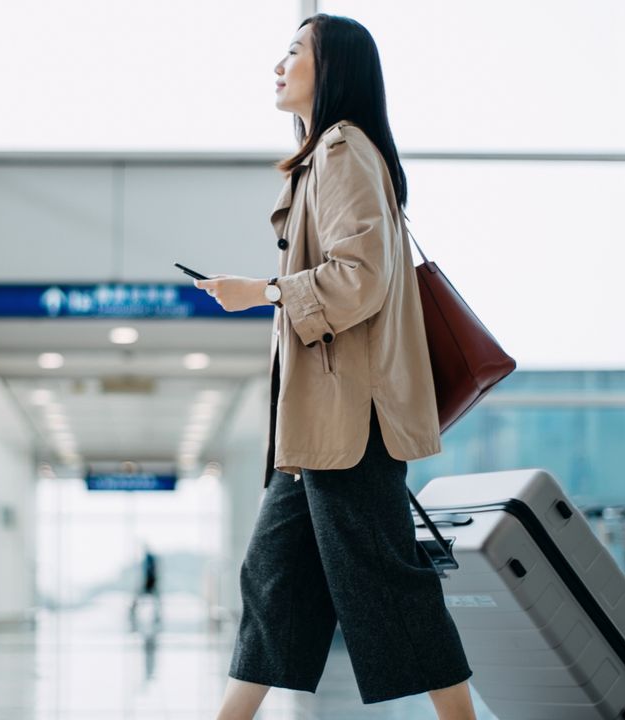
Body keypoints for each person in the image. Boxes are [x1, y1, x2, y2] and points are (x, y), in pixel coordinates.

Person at [195, 14, 476, 720]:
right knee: (274, 581)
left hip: (351, 423)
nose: (278, 65)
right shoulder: (326, 157)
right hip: (321, 428)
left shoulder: (343, 150)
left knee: (386, 582)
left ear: (335, 68)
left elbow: (359, 278)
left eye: (294, 52)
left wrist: (258, 293)